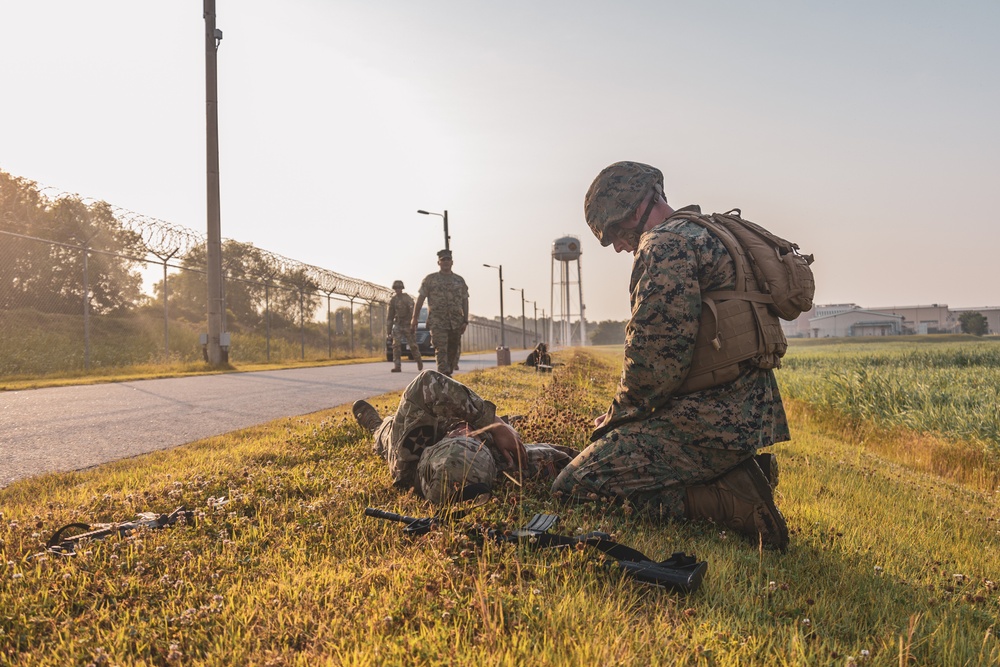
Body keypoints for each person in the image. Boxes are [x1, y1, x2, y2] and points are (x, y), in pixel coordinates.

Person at [551, 161, 790, 550]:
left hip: (709, 423)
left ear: (628, 209)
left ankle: (730, 500)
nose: (616, 245)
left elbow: (655, 365)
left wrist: (613, 422)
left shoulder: (665, 246)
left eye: (613, 232)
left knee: (576, 484)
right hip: (748, 416)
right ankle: (738, 473)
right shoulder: (709, 231)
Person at [352, 370, 575, 503]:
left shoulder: (405, 456)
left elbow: (426, 381)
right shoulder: (498, 465)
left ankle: (374, 422)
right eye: (473, 439)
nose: (469, 432)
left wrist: (493, 424)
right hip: (455, 435)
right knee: (505, 426)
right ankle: (509, 420)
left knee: (383, 431)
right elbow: (559, 459)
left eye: (465, 436)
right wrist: (497, 427)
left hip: (397, 434)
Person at [412, 249, 468, 377]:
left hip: (455, 322)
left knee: (453, 351)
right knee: (441, 349)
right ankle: (443, 377)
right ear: (438, 262)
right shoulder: (430, 279)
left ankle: (448, 374)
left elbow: (465, 300)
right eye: (443, 260)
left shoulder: (459, 281)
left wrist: (465, 320)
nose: (446, 262)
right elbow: (420, 299)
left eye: (448, 260)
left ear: (452, 262)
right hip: (437, 322)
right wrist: (414, 318)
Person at [387, 280, 423, 373]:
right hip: (398, 324)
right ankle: (397, 366)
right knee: (396, 346)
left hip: (408, 324)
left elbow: (413, 312)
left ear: (402, 289)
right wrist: (388, 330)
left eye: (399, 288)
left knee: (413, 345)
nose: (397, 290)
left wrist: (413, 324)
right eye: (396, 288)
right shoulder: (393, 300)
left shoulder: (407, 298)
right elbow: (390, 316)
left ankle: (418, 360)